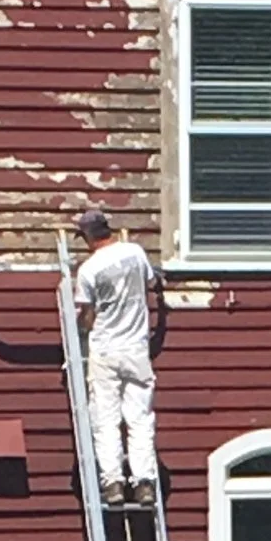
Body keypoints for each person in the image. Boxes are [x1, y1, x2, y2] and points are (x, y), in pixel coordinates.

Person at [71, 207, 165, 507]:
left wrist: (79, 324)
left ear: (87, 235)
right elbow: (152, 283)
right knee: (139, 419)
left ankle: (113, 483)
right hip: (137, 348)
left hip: (106, 350)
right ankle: (145, 483)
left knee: (106, 419)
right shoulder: (135, 252)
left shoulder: (88, 270)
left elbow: (87, 317)